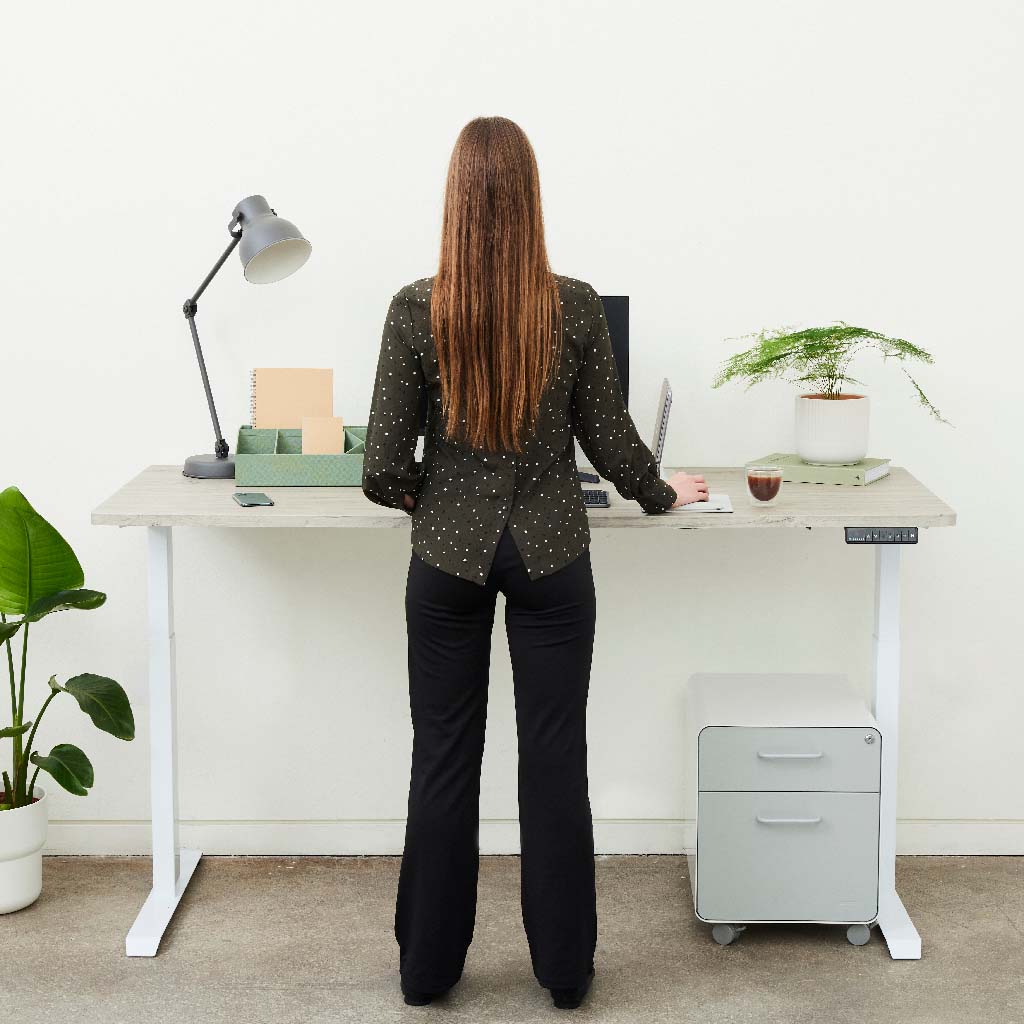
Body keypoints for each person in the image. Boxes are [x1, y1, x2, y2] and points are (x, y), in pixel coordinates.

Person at [361, 115, 708, 1011]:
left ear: (454, 200)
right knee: (555, 761)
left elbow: (383, 468)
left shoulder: (414, 307)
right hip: (554, 556)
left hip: (445, 560)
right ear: (531, 199)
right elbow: (611, 441)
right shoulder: (577, 304)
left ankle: (427, 971)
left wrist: (433, 502)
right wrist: (666, 493)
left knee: (442, 756)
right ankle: (563, 973)